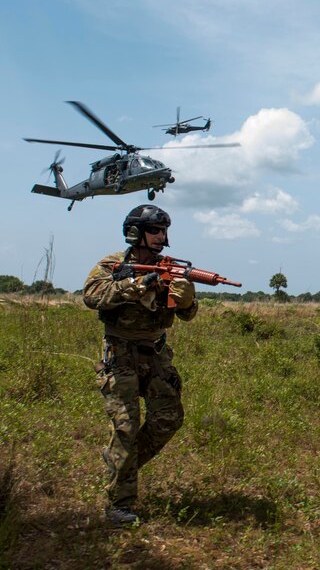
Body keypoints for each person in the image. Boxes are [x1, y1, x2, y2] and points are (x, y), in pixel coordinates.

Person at [83, 204, 198, 526]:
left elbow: (187, 314)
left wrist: (187, 298)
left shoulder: (169, 268)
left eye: (164, 231)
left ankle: (122, 467)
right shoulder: (113, 264)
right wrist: (136, 285)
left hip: (156, 352)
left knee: (168, 418)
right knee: (126, 427)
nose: (161, 237)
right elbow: (92, 296)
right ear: (135, 232)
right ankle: (119, 504)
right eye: (155, 230)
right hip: (120, 352)